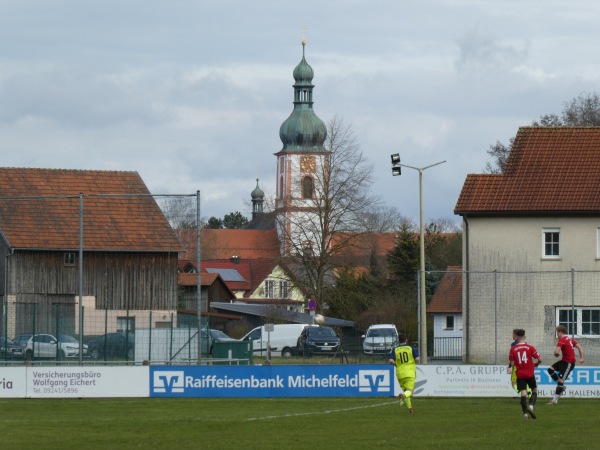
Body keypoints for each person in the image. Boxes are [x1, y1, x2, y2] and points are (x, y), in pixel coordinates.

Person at [508, 329, 542, 419]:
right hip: (530, 373)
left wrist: (519, 364)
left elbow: (512, 363)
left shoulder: (513, 349)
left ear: (516, 337)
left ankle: (525, 414)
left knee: (523, 393)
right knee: (534, 390)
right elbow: (540, 359)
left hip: (520, 373)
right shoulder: (530, 347)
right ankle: (531, 406)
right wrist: (536, 364)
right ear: (525, 337)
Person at [547, 325, 584, 404]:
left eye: (557, 332)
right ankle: (561, 386)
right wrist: (581, 358)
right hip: (564, 361)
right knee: (550, 369)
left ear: (560, 332)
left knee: (561, 380)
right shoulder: (570, 339)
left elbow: (557, 352)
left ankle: (554, 400)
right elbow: (580, 347)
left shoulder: (562, 340)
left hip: (569, 363)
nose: (557, 334)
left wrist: (556, 354)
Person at [388, 333, 420, 414]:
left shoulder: (395, 349)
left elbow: (391, 360)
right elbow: (417, 359)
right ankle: (402, 396)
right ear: (406, 340)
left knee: (406, 391)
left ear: (399, 341)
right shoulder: (410, 348)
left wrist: (396, 364)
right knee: (410, 392)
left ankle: (410, 409)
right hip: (409, 372)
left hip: (400, 374)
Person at [508, 329, 531, 398]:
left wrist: (510, 367)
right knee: (523, 380)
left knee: (513, 382)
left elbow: (512, 357)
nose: (512, 336)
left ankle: (522, 395)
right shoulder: (525, 344)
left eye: (513, 334)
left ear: (516, 336)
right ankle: (529, 393)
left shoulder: (513, 344)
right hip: (525, 365)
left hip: (516, 365)